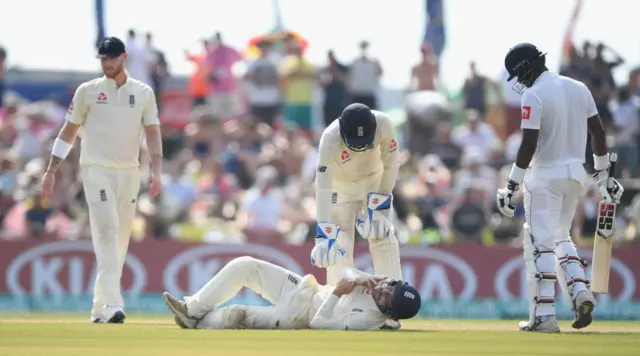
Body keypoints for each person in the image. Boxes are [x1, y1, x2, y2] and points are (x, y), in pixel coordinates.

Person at [496, 43, 624, 332]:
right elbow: (599, 134)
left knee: (539, 245)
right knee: (561, 237)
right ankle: (580, 292)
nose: (519, 82)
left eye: (518, 75)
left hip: (544, 177)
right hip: (575, 177)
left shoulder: (534, 93)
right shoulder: (579, 87)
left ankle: (543, 317)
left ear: (526, 67)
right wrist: (603, 175)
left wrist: (511, 183)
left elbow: (528, 144)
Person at [40, 36, 164, 324]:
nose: (106, 63)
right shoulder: (88, 91)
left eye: (111, 58)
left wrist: (156, 171)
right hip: (96, 170)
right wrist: (51, 170)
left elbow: (154, 133)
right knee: (106, 231)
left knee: (119, 241)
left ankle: (99, 307)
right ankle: (112, 303)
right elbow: (68, 132)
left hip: (129, 173)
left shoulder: (143, 92)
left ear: (123, 57)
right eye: (102, 59)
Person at [162, 256, 421, 330]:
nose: (383, 289)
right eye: (391, 286)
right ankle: (193, 309)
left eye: (387, 296)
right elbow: (345, 271)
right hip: (302, 287)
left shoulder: (364, 321)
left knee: (236, 314)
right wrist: (360, 278)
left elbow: (319, 323)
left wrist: (338, 293)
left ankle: (194, 322)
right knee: (244, 265)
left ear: (388, 312)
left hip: (296, 315)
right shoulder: (376, 286)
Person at [312, 103, 402, 287]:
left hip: (374, 182)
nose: (360, 147)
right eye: (355, 142)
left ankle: (393, 297)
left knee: (381, 233)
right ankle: (339, 304)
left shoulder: (384, 124)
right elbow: (323, 187)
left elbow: (392, 164)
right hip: (341, 188)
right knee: (338, 241)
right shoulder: (330, 138)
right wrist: (323, 233)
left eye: (365, 141)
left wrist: (381, 203)